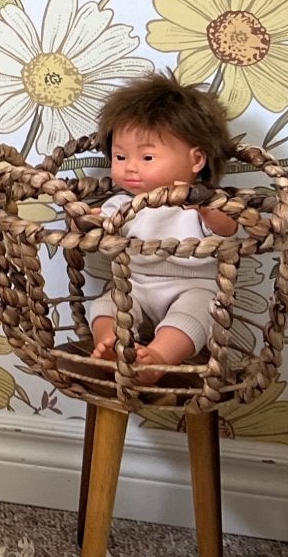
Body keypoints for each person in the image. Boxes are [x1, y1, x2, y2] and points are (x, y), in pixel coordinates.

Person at [85, 71, 239, 377]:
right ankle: (110, 343)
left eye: (147, 157)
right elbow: (99, 225)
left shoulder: (202, 203)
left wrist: (206, 209)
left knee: (197, 313)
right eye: (120, 156)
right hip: (136, 285)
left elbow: (231, 230)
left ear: (197, 160)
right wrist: (86, 222)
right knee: (105, 305)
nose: (130, 167)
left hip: (192, 287)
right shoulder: (123, 204)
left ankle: (157, 358)